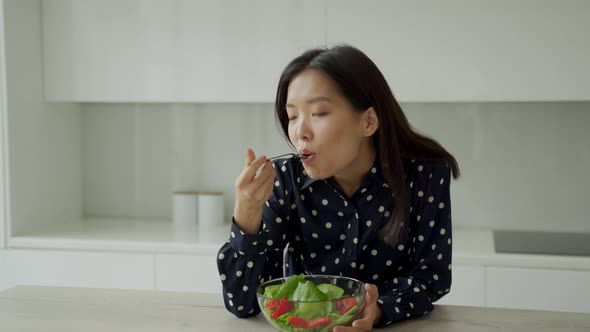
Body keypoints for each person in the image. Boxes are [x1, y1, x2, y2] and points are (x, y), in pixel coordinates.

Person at [217, 44, 460, 330]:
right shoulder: (286, 180)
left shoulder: (425, 175)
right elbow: (242, 303)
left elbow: (430, 278)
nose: (300, 132)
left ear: (368, 121)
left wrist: (378, 310)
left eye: (319, 113)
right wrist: (247, 210)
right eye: (292, 116)